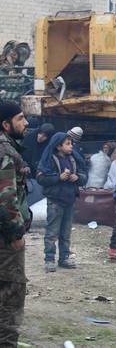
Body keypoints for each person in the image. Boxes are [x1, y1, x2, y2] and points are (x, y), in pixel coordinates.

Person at [0, 101, 32, 346]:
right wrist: (15, 233)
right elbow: (6, 197)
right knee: (11, 294)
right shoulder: (5, 152)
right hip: (5, 239)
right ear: (6, 124)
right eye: (21, 118)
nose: (26, 122)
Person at [37, 132, 87, 272]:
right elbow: (41, 178)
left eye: (71, 143)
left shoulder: (73, 159)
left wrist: (77, 177)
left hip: (69, 200)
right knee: (52, 232)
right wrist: (59, 177)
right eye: (68, 144)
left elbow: (84, 175)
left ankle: (64, 258)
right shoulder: (49, 160)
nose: (71, 146)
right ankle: (49, 260)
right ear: (58, 146)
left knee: (66, 233)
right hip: (55, 201)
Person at [21, 123, 55, 205]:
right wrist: (25, 165)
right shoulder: (29, 138)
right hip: (26, 171)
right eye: (40, 133)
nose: (40, 137)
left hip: (39, 174)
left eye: (44, 136)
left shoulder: (50, 144)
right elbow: (21, 154)